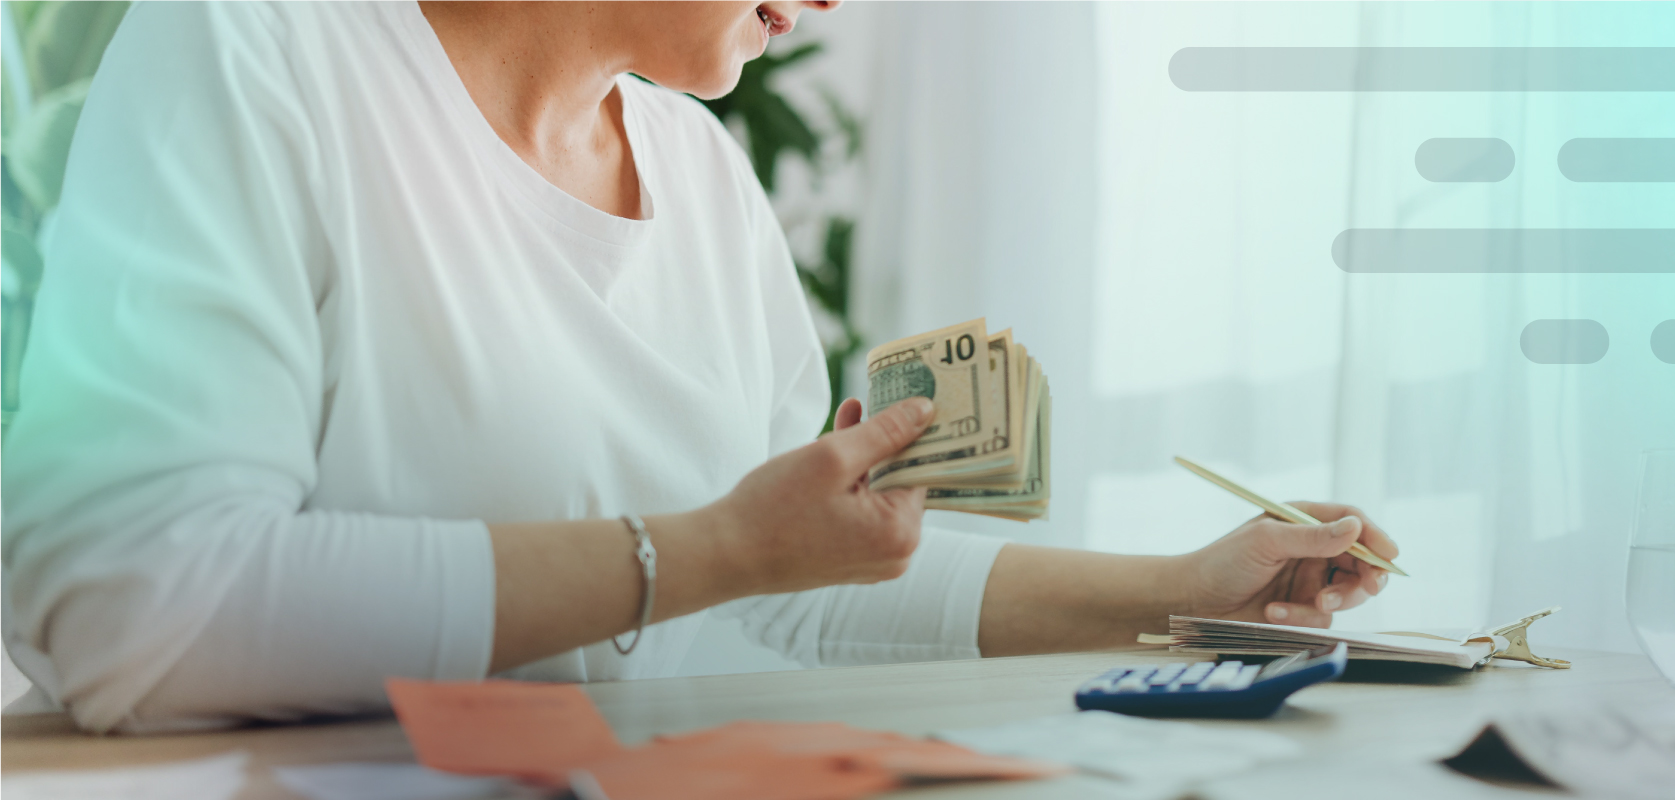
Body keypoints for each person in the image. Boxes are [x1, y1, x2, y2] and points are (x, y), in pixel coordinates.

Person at [0, 1, 1398, 734]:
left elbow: (803, 590)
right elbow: (142, 613)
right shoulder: (259, 47)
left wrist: (1187, 598)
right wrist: (708, 547)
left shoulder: (700, 174)